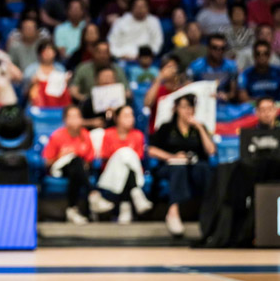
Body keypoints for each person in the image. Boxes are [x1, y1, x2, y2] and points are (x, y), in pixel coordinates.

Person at [148, 94, 216, 237]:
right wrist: (173, 157)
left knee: (203, 168)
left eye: (190, 107)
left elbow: (211, 151)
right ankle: (173, 213)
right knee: (178, 169)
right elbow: (151, 150)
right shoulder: (166, 127)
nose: (187, 111)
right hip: (170, 167)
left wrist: (200, 128)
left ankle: (211, 212)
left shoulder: (199, 128)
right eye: (183, 107)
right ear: (176, 109)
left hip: (194, 166)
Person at [87, 105, 152, 224]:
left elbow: (137, 159)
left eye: (132, 115)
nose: (130, 119)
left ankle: (125, 206)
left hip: (133, 170)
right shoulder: (108, 134)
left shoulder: (138, 135)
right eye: (126, 116)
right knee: (124, 153)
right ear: (117, 118)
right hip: (111, 173)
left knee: (127, 159)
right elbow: (105, 156)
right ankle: (135, 193)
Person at [42, 105, 94, 225]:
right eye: (71, 117)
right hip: (59, 169)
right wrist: (60, 155)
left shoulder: (85, 135)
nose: (75, 120)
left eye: (77, 116)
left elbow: (89, 160)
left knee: (75, 167)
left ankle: (72, 210)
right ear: (65, 120)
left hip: (77, 170)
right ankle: (93, 193)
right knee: (75, 161)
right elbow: (47, 162)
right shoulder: (57, 136)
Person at [187, 33, 238, 101]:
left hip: (223, 104)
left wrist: (227, 96)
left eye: (222, 48)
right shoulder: (196, 66)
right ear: (208, 48)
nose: (219, 51)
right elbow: (188, 90)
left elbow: (233, 93)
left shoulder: (231, 66)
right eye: (215, 48)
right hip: (201, 102)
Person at [25, 40, 72, 107]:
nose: (47, 53)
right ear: (39, 54)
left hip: (57, 103)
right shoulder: (31, 70)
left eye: (50, 51)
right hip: (37, 104)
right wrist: (31, 84)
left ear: (54, 53)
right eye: (44, 51)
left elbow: (65, 90)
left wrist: (66, 82)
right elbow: (24, 93)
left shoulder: (60, 69)